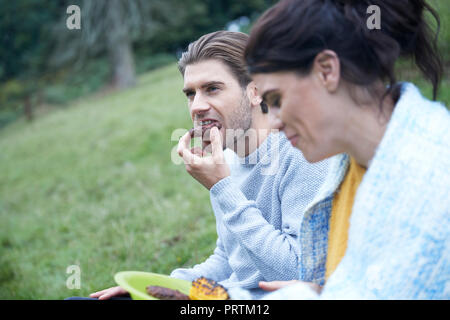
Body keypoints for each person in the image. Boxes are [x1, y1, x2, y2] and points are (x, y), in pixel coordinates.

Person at [230, 0, 449, 299]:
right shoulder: (352, 164)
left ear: (326, 70)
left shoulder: (428, 173)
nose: (274, 123)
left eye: (277, 99)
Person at [89, 31, 330, 300]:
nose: (197, 106)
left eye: (212, 89)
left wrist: (223, 188)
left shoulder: (302, 154)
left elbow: (296, 274)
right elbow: (229, 260)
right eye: (190, 94)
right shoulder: (227, 160)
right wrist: (159, 286)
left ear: (255, 91)